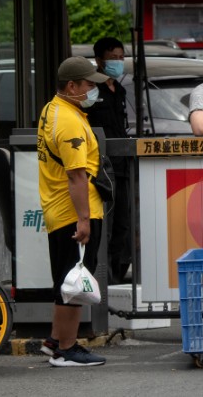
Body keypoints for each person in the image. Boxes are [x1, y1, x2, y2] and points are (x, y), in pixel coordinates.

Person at [37, 56, 109, 366]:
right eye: (89, 85)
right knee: (75, 283)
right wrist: (83, 219)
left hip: (59, 209)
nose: (94, 89)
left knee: (68, 279)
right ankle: (66, 348)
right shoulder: (67, 121)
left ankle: (55, 340)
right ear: (71, 86)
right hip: (73, 211)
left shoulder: (54, 109)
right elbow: (77, 176)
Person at [85, 37, 131, 284]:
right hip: (101, 167)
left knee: (123, 222)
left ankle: (116, 273)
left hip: (123, 166)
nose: (118, 62)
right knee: (106, 221)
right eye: (113, 58)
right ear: (100, 61)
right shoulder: (92, 90)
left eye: (121, 57)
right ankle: (101, 277)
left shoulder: (121, 90)